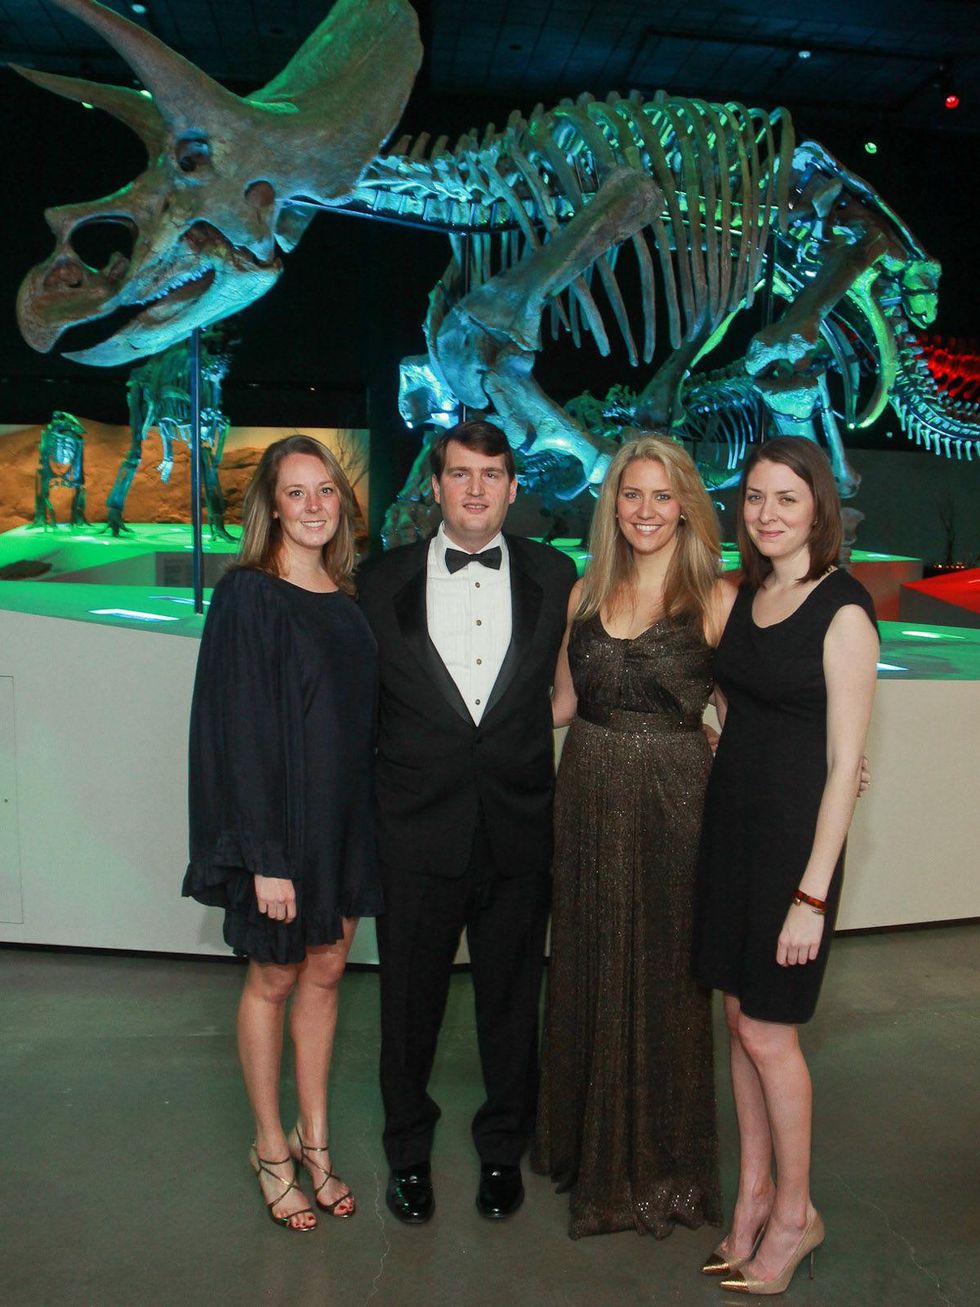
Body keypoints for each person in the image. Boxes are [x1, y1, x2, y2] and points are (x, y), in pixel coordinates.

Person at [357, 418, 576, 1224]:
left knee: (513, 1004)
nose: (476, 488)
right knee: (407, 1007)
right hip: (413, 831)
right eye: (460, 474)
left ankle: (501, 1152)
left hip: (519, 827)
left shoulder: (558, 576)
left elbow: (585, 686)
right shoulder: (377, 582)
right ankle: (407, 1153)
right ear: (438, 484)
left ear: (514, 487)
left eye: (491, 474)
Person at [531, 433, 735, 1239]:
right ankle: (588, 1145)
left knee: (667, 974)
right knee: (586, 958)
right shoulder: (584, 591)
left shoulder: (715, 598)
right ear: (611, 503)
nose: (645, 509)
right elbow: (553, 705)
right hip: (585, 792)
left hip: (677, 802)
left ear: (685, 505)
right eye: (631, 493)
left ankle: (664, 1162)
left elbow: (744, 718)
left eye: (660, 495)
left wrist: (830, 762)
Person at [183, 434, 382, 1232]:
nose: (312, 506)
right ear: (270, 505)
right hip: (283, 830)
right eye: (295, 492)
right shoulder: (249, 595)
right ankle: (270, 1147)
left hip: (344, 825)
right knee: (273, 979)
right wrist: (264, 856)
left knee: (328, 974)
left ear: (341, 502)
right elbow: (239, 733)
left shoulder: (347, 594)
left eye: (324, 490)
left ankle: (316, 1137)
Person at [695, 437, 879, 1294]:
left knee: (771, 1032)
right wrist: (720, 720)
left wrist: (811, 894)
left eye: (787, 500)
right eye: (757, 498)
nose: (767, 513)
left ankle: (797, 1215)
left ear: (819, 511)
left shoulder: (843, 610)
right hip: (732, 830)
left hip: (792, 853)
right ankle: (754, 1194)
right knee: (740, 1022)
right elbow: (741, 695)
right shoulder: (749, 592)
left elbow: (846, 764)